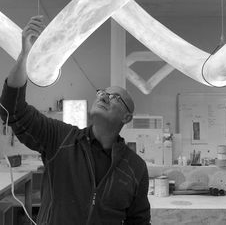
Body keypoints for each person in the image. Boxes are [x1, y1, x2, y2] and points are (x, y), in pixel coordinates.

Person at [0, 16, 151, 225]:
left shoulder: (135, 167)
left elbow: (139, 221)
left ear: (127, 117)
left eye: (115, 97)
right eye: (102, 93)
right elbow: (12, 110)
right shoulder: (61, 139)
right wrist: (25, 55)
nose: (104, 96)